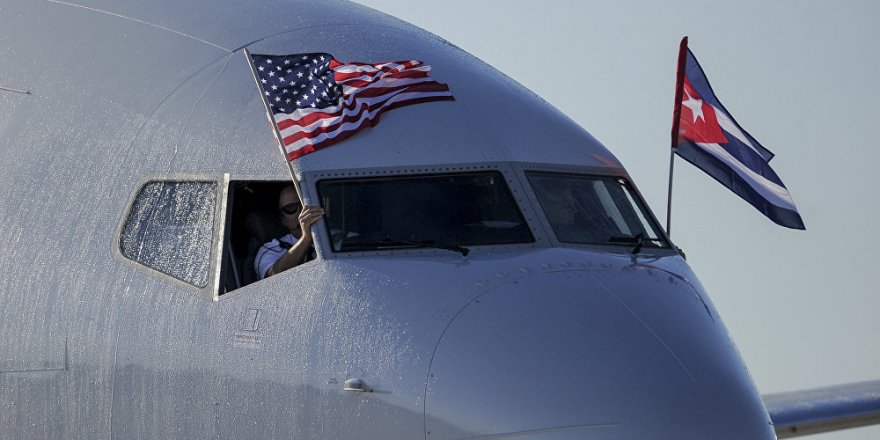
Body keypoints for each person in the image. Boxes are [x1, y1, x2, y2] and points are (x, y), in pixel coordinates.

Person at [255, 185, 325, 279]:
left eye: (304, 204)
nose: (302, 212)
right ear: (283, 220)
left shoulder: (341, 238)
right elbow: (272, 278)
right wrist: (306, 238)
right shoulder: (271, 249)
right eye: (291, 208)